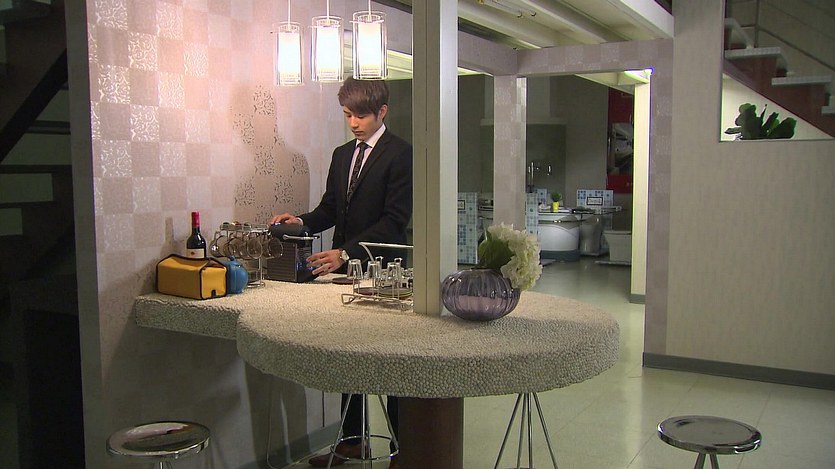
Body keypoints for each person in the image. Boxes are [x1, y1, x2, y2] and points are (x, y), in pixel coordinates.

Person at [270, 77, 412, 469]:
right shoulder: (342, 154)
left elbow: (394, 222)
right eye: (348, 115)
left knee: (392, 361)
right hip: (344, 274)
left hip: (384, 272)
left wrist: (345, 253)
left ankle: (403, 449)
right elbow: (330, 210)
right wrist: (300, 222)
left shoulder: (402, 154)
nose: (353, 123)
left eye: (361, 116)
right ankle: (353, 442)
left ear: (382, 112)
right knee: (350, 355)